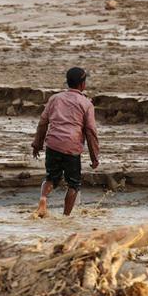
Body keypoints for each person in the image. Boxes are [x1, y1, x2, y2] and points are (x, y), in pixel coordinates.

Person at [31, 67, 100, 218]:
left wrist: (37, 144)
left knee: (50, 178)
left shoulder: (55, 99)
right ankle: (65, 217)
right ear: (82, 84)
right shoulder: (86, 104)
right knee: (73, 184)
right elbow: (90, 132)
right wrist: (94, 157)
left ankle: (43, 199)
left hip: (53, 144)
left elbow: (43, 123)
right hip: (72, 147)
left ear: (67, 82)